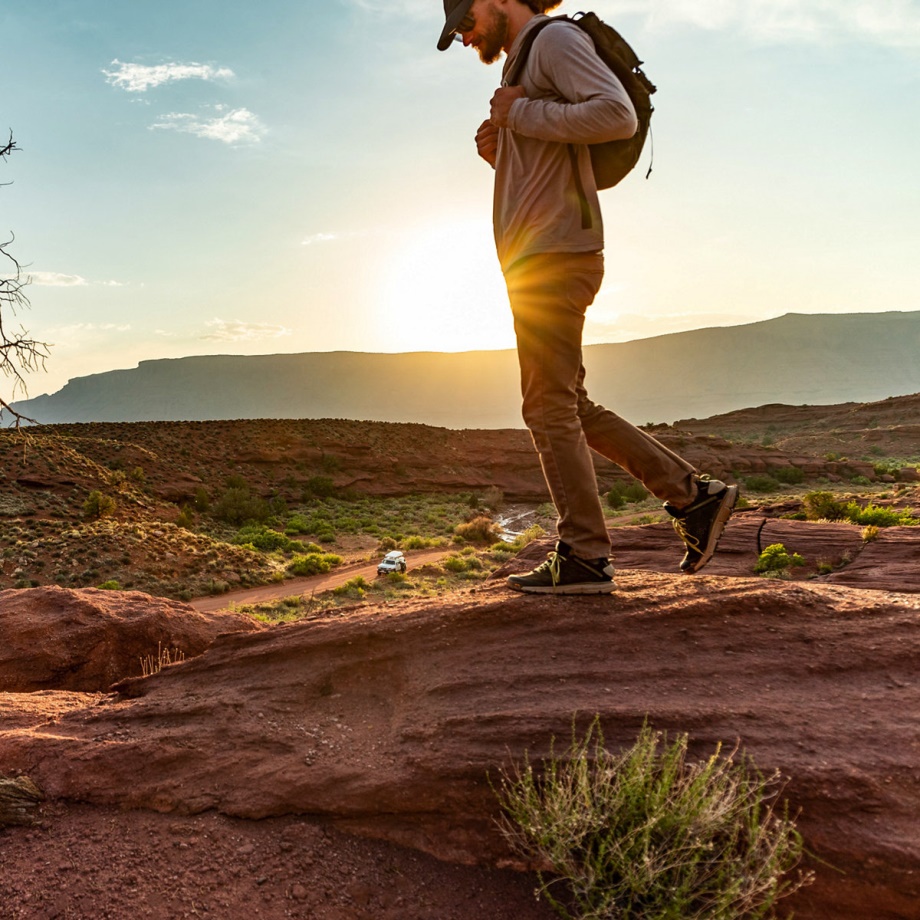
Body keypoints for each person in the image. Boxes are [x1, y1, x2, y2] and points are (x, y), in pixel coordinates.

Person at [437, 0, 738, 594]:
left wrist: (520, 113)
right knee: (569, 403)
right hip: (540, 254)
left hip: (554, 256)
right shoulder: (522, 60)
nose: (466, 35)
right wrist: (503, 148)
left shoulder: (552, 41)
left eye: (465, 20)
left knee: (547, 408)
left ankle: (583, 556)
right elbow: (555, 147)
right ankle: (694, 497)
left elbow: (615, 116)